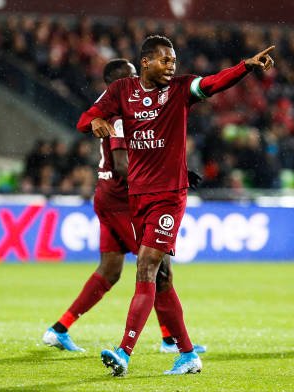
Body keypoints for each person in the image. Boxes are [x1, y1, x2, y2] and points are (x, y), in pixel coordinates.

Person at [77, 35, 274, 375]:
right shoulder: (122, 90)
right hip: (138, 196)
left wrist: (245, 67)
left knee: (146, 267)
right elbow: (86, 118)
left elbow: (212, 83)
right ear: (145, 62)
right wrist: (94, 122)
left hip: (169, 195)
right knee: (162, 278)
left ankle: (124, 352)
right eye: (164, 60)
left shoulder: (180, 90)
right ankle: (187, 354)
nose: (171, 66)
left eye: (174, 61)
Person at [43, 59, 206, 355]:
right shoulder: (120, 115)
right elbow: (121, 165)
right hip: (122, 201)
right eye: (131, 77)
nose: (137, 83)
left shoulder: (111, 111)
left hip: (107, 196)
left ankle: (59, 328)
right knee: (158, 268)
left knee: (110, 270)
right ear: (116, 84)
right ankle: (172, 341)